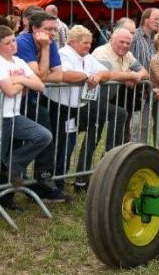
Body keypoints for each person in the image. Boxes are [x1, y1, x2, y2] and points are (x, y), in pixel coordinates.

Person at [45, 25, 127, 192]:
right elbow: (66, 74)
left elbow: (106, 73)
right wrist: (87, 76)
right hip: (58, 107)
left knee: (68, 145)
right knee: (59, 146)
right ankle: (51, 183)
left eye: (90, 43)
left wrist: (97, 75)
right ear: (73, 42)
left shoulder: (86, 57)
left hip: (74, 108)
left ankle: (59, 182)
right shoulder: (64, 54)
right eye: (85, 43)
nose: (89, 46)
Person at [0, 26, 51, 198]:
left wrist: (19, 79)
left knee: (43, 136)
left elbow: (40, 85)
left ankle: (12, 164)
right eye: (7, 42)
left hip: (14, 115)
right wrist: (25, 83)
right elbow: (9, 91)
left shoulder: (19, 62)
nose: (13, 44)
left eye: (13, 40)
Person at [15, 11, 70, 202]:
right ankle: (20, 173)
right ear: (34, 28)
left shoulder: (51, 43)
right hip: (12, 98)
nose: (52, 33)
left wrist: (40, 74)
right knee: (40, 127)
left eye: (54, 29)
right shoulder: (23, 42)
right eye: (48, 29)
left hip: (30, 97)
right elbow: (39, 76)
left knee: (45, 126)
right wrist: (45, 50)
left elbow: (58, 75)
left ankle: (41, 178)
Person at [93, 27, 149, 142]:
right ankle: (87, 160)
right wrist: (129, 76)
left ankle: (112, 157)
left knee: (118, 134)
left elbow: (144, 72)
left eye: (128, 43)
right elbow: (107, 75)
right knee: (93, 137)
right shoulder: (101, 52)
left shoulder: (128, 55)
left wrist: (134, 76)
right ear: (111, 40)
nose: (124, 45)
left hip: (113, 100)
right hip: (95, 101)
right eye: (121, 42)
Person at [130, 7, 159, 142]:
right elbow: (128, 60)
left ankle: (140, 153)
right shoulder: (134, 37)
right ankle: (129, 152)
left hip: (151, 90)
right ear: (146, 19)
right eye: (156, 19)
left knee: (145, 126)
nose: (158, 22)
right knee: (134, 125)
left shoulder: (155, 40)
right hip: (136, 89)